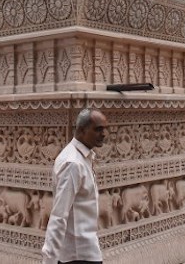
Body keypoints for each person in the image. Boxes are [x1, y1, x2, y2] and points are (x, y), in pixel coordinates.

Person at [42, 108, 108, 264]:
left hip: (85, 251)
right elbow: (59, 215)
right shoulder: (73, 163)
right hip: (78, 256)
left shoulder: (81, 158)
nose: (104, 134)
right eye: (98, 129)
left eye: (105, 129)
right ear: (81, 130)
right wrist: (49, 260)